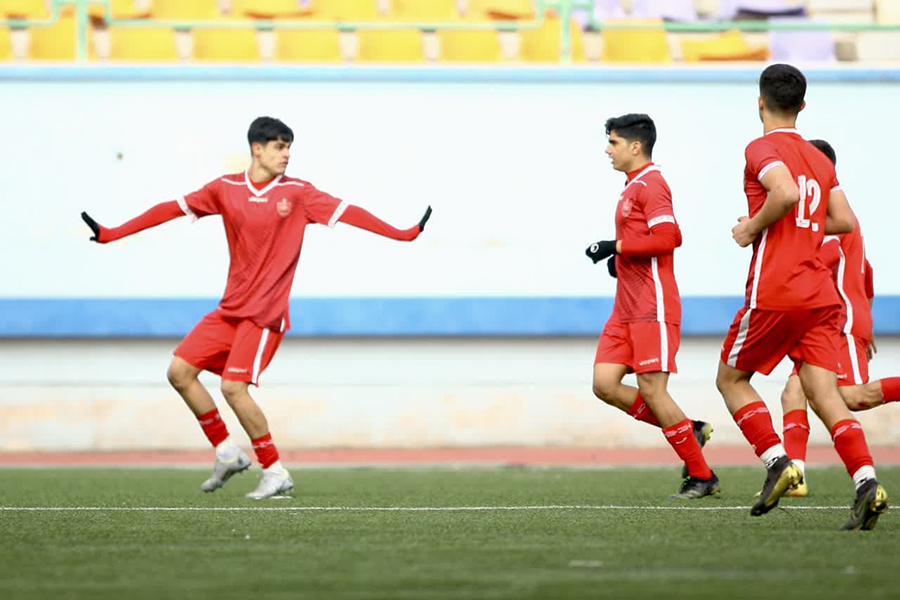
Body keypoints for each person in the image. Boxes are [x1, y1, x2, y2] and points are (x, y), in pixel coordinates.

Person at [81, 116, 432, 500]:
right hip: (230, 310)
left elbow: (350, 213)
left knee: (233, 387)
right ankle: (227, 452)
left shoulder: (299, 193)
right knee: (179, 372)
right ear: (257, 149)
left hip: (265, 315)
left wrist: (403, 234)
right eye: (280, 146)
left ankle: (275, 471)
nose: (287, 154)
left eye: (289, 147)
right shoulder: (225, 189)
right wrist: (112, 233)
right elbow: (171, 209)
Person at [716, 64, 888, 529]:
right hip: (819, 296)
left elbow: (786, 191)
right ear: (803, 105)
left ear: (759, 102)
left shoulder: (761, 148)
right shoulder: (819, 158)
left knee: (731, 380)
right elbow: (843, 219)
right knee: (825, 394)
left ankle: (778, 462)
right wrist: (802, 225)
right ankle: (867, 482)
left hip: (777, 288)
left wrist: (752, 227)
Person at [585, 113, 718, 500]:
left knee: (653, 390)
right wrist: (620, 260)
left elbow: (668, 237)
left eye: (613, 143)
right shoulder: (631, 186)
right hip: (624, 309)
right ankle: (688, 430)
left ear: (635, 146)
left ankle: (702, 476)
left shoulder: (652, 184)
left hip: (651, 306)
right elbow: (649, 239)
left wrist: (616, 247)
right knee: (604, 384)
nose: (607, 150)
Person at [777, 139, 900, 497]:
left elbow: (821, 259)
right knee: (793, 392)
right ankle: (795, 476)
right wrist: (866, 317)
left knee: (853, 397)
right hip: (831, 322)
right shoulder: (833, 215)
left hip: (837, 322)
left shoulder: (827, 219)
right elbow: (866, 273)